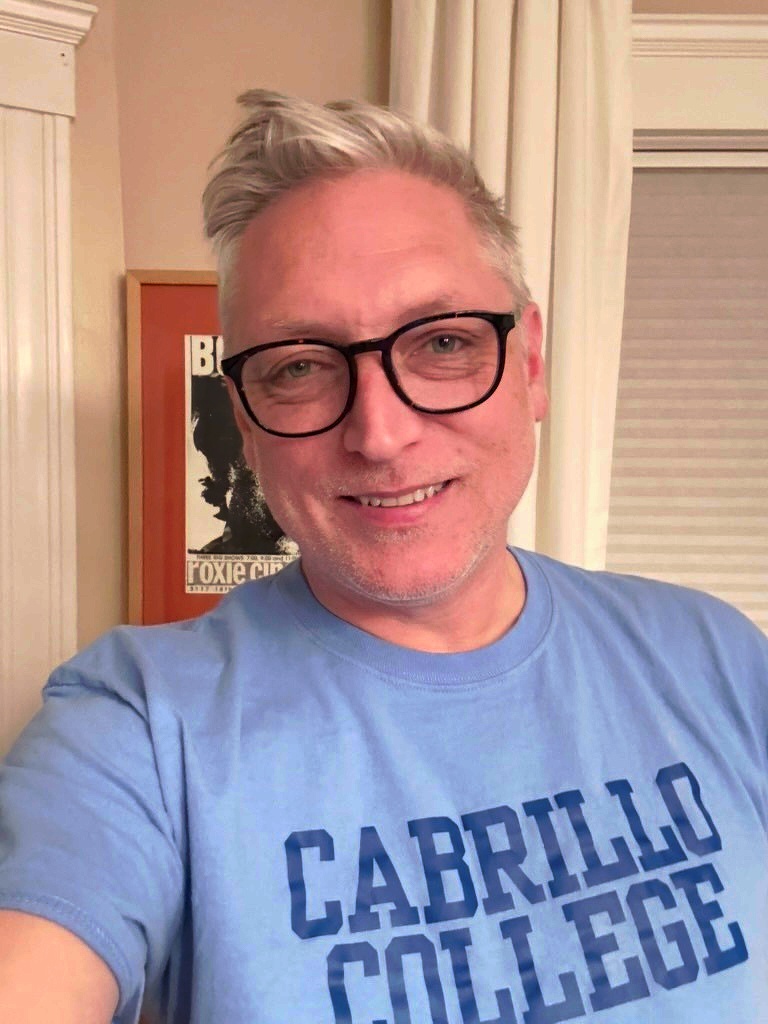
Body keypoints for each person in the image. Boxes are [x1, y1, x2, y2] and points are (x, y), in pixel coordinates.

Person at [0, 90, 766, 1024]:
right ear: (244, 420)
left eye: (442, 343)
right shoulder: (140, 729)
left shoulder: (716, 658)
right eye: (298, 364)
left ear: (529, 365)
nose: (380, 433)